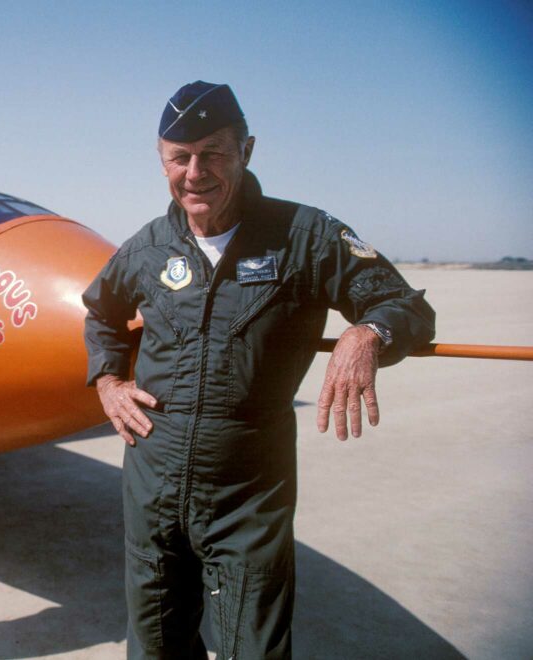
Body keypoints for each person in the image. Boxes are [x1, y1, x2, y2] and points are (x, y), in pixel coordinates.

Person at [83, 81, 435, 658]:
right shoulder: (147, 248)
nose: (196, 172)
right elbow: (100, 311)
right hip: (152, 477)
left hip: (247, 487)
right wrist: (108, 380)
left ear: (247, 150)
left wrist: (367, 333)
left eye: (214, 153)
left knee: (256, 647)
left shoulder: (306, 235)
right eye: (180, 157)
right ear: (162, 160)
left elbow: (407, 305)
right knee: (154, 646)